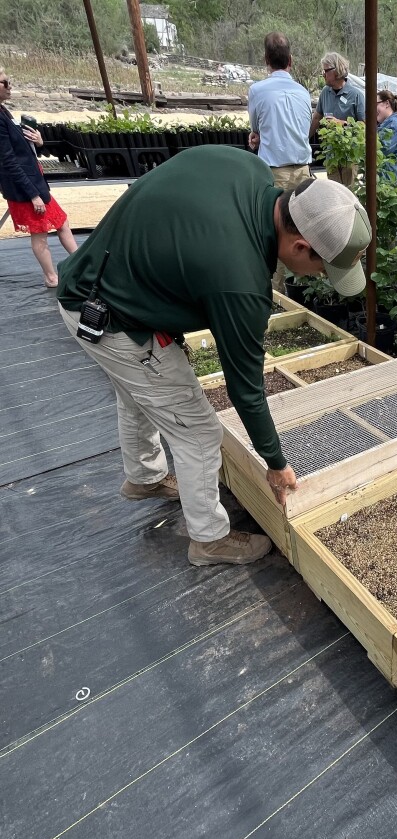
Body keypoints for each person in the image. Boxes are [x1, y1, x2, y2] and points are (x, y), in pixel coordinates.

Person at [56, 145, 371, 567]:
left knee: (139, 393)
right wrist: (275, 463)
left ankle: (145, 478)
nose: (321, 279)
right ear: (299, 246)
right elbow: (246, 390)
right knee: (200, 432)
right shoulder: (239, 281)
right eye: (324, 269)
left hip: (100, 279)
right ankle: (208, 539)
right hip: (106, 316)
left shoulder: (245, 166)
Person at [247, 32, 314, 293]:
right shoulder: (302, 92)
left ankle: (275, 296)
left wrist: (257, 139)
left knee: (275, 235)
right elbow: (304, 127)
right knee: (305, 232)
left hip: (274, 172)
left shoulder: (258, 91)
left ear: (266, 60)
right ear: (291, 60)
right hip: (303, 171)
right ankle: (303, 289)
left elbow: (256, 129)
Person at [0, 68, 77, 288]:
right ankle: (51, 277)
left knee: (61, 222)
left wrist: (38, 141)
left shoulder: (4, 111)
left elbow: (18, 150)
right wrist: (33, 195)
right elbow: (8, 161)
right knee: (40, 233)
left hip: (33, 181)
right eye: (5, 82)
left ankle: (82, 263)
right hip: (24, 187)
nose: (10, 85)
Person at [310, 52, 365, 188]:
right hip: (331, 155)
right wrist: (305, 138)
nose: (323, 74)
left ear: (337, 70)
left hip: (349, 155)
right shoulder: (325, 92)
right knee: (334, 193)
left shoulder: (356, 95)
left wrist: (342, 123)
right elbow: (317, 117)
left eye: (326, 70)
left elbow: (365, 125)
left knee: (348, 193)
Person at [376, 89, 397, 183]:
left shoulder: (395, 125)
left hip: (390, 181)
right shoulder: (386, 124)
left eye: (375, 104)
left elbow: (381, 150)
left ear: (386, 103)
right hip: (384, 180)